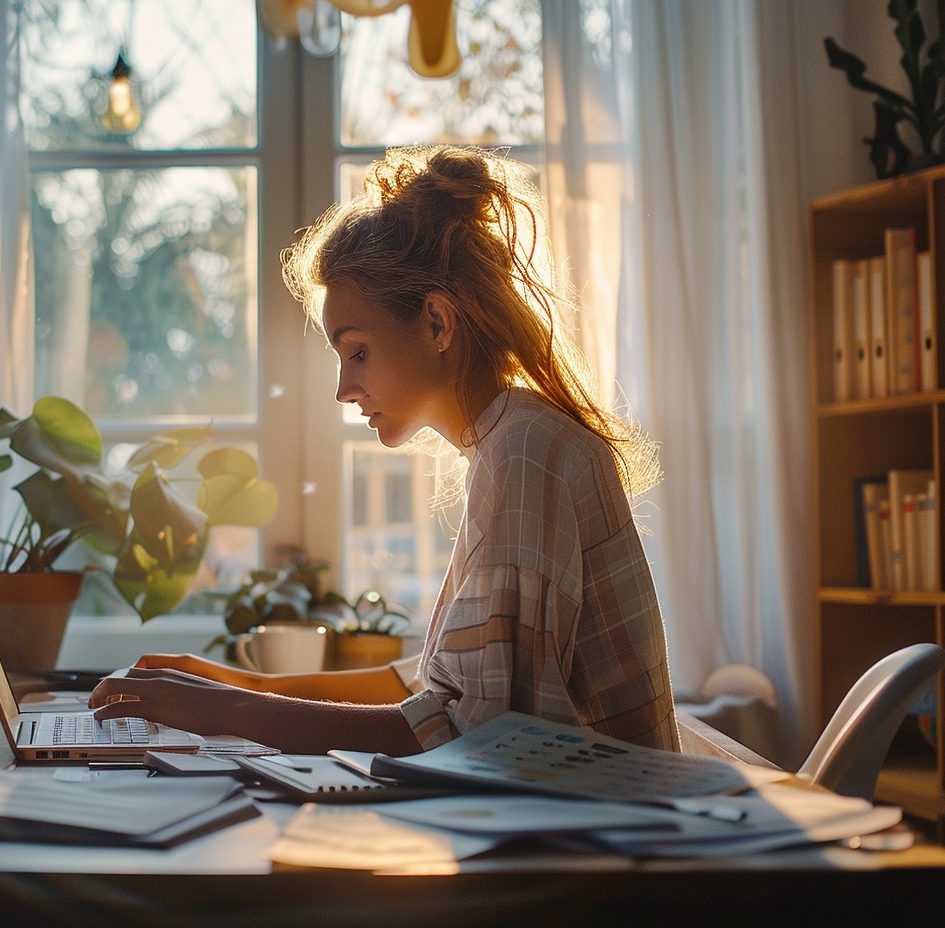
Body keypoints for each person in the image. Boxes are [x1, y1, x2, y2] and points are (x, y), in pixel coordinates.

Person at [90, 145, 679, 756]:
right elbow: (426, 692)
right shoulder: (510, 441)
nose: (344, 389)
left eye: (358, 351)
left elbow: (481, 740)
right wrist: (224, 680)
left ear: (436, 324)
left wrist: (219, 709)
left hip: (596, 843)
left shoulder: (526, 454)